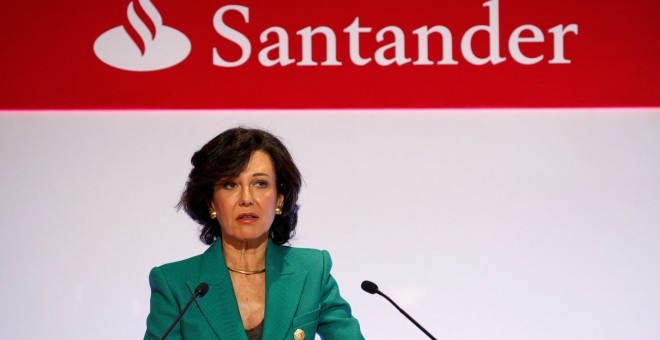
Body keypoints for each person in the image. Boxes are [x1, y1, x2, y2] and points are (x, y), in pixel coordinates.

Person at [144, 127, 364, 340]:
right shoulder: (175, 283)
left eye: (260, 183)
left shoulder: (312, 271)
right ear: (211, 202)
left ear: (279, 198)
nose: (246, 198)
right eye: (230, 184)